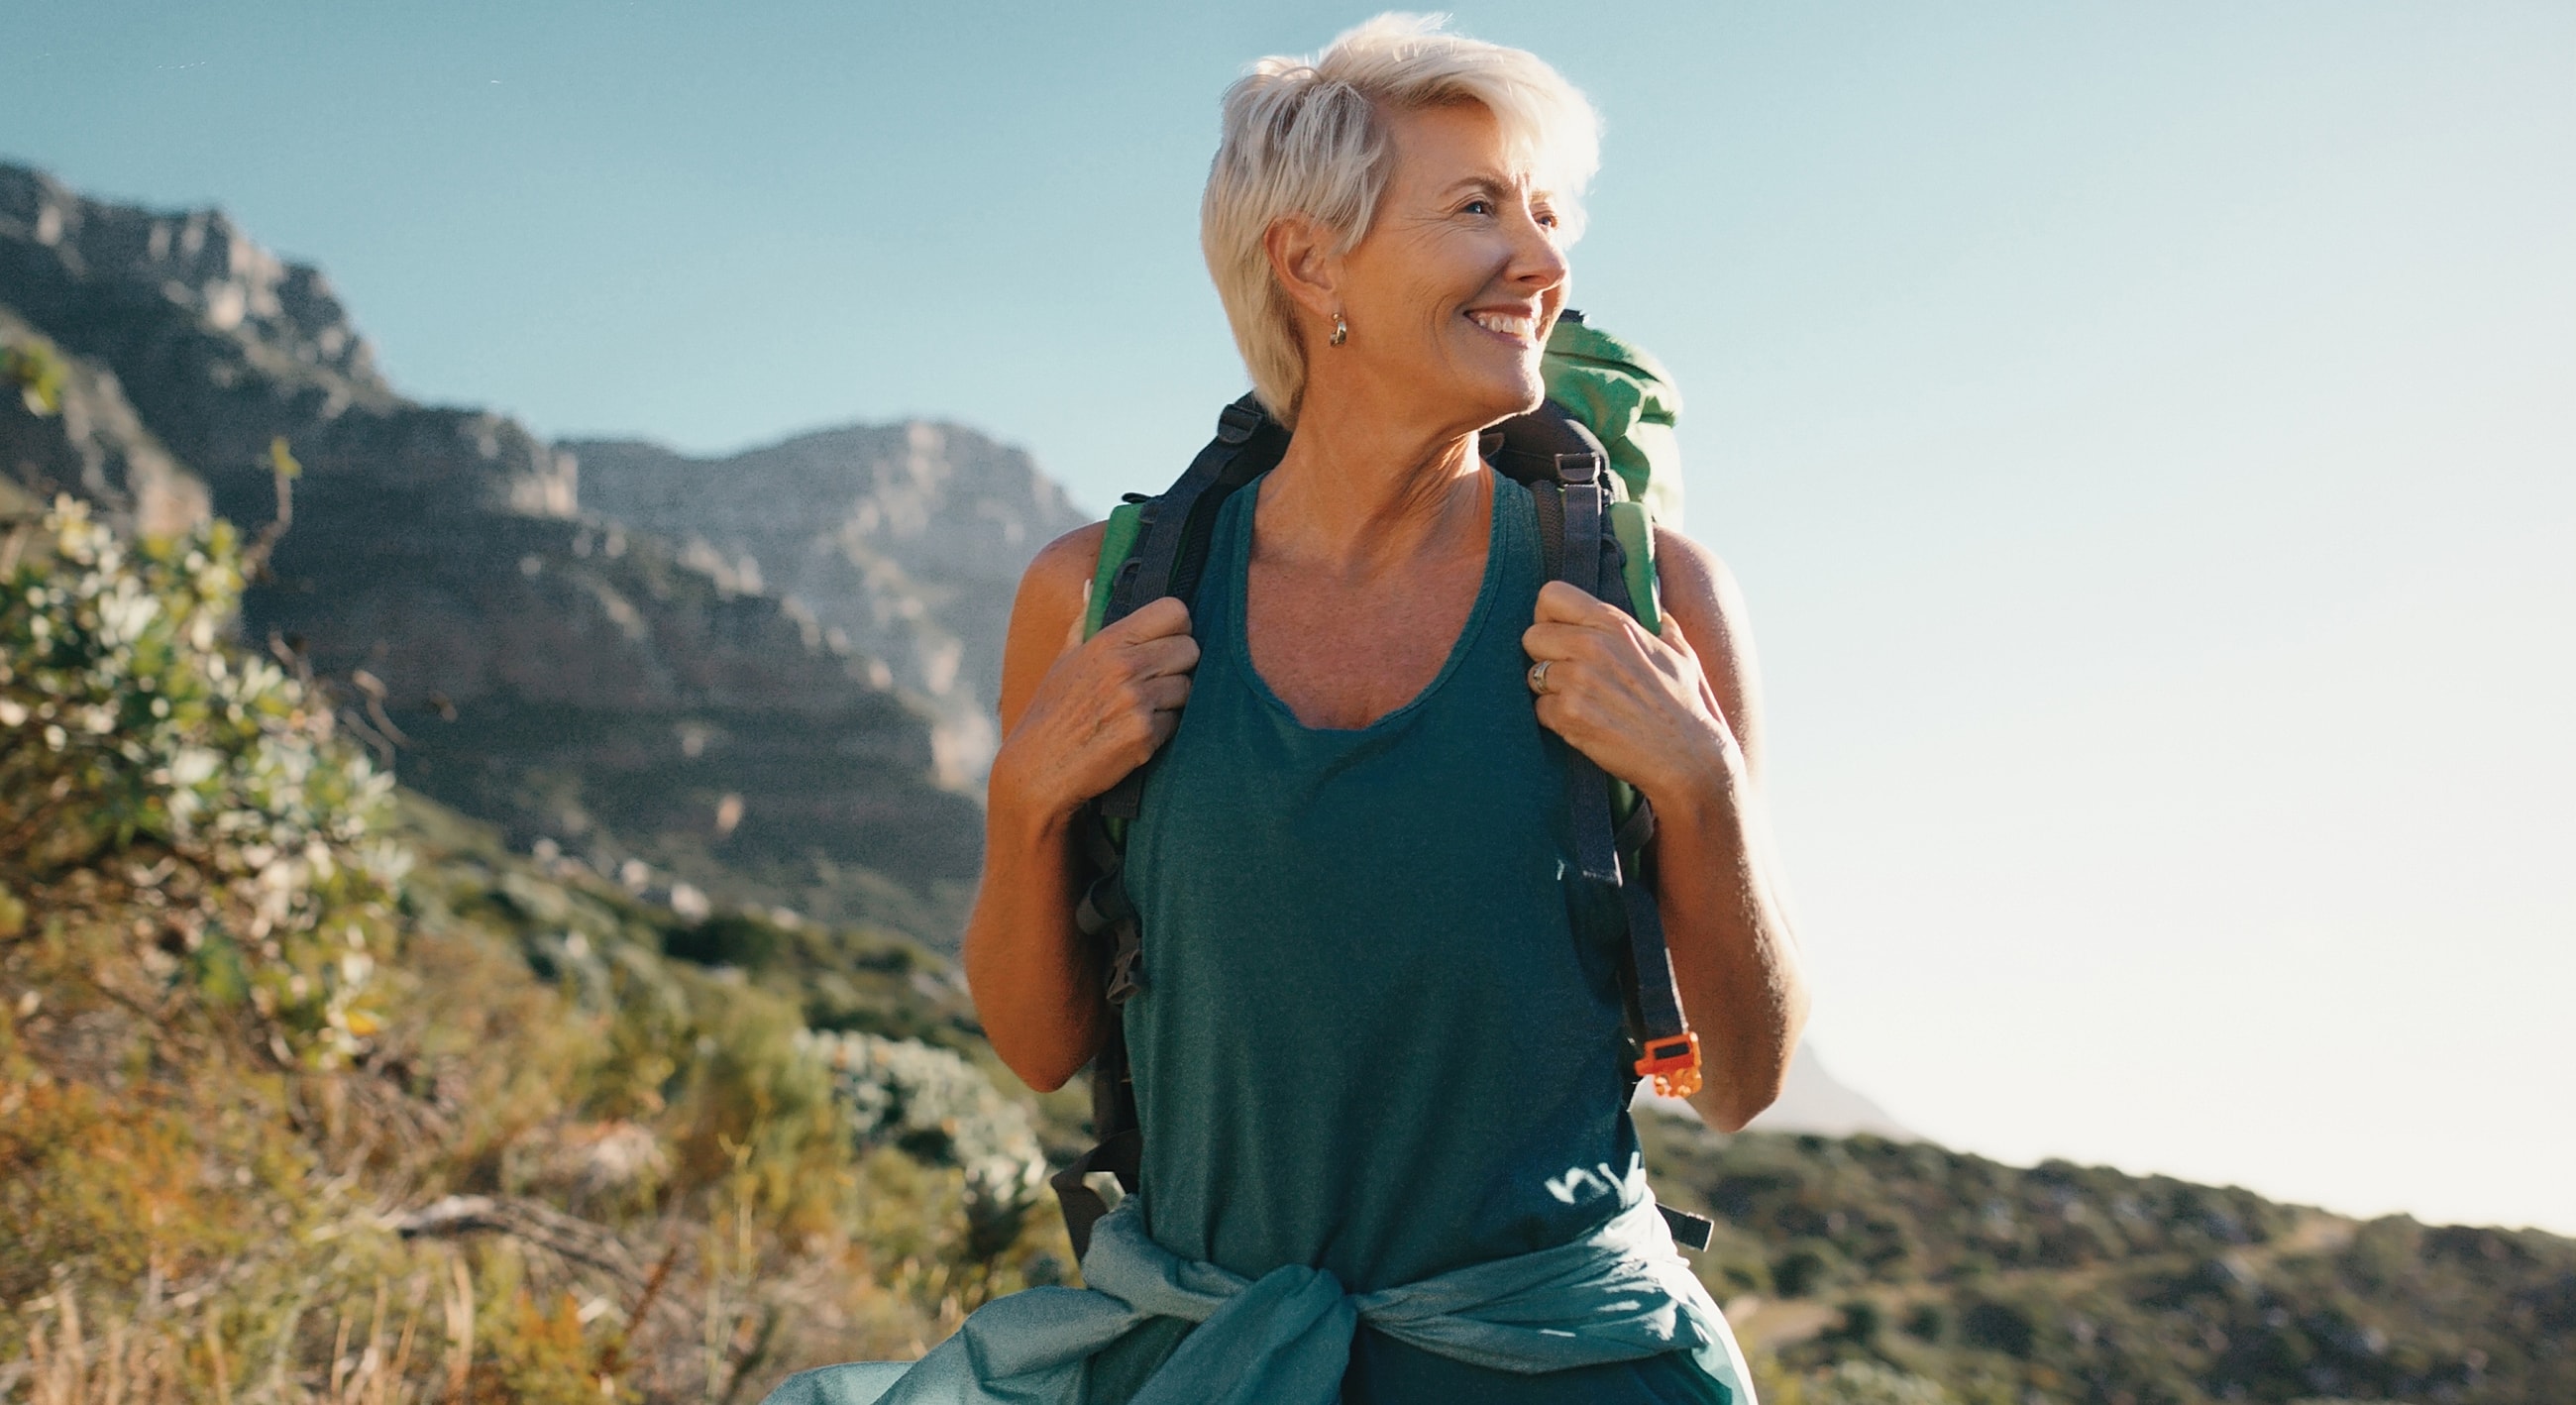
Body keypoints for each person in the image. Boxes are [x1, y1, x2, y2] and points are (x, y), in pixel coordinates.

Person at [766, 14, 1807, 1405]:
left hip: (1566, 1368)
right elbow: (1038, 1044)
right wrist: (1023, 806)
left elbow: (1740, 1081)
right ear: (1311, 259)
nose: (1547, 263)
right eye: (1480, 208)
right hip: (1197, 1357)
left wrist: (1705, 788)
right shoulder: (1102, 595)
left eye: (1551, 216)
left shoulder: (1653, 600)